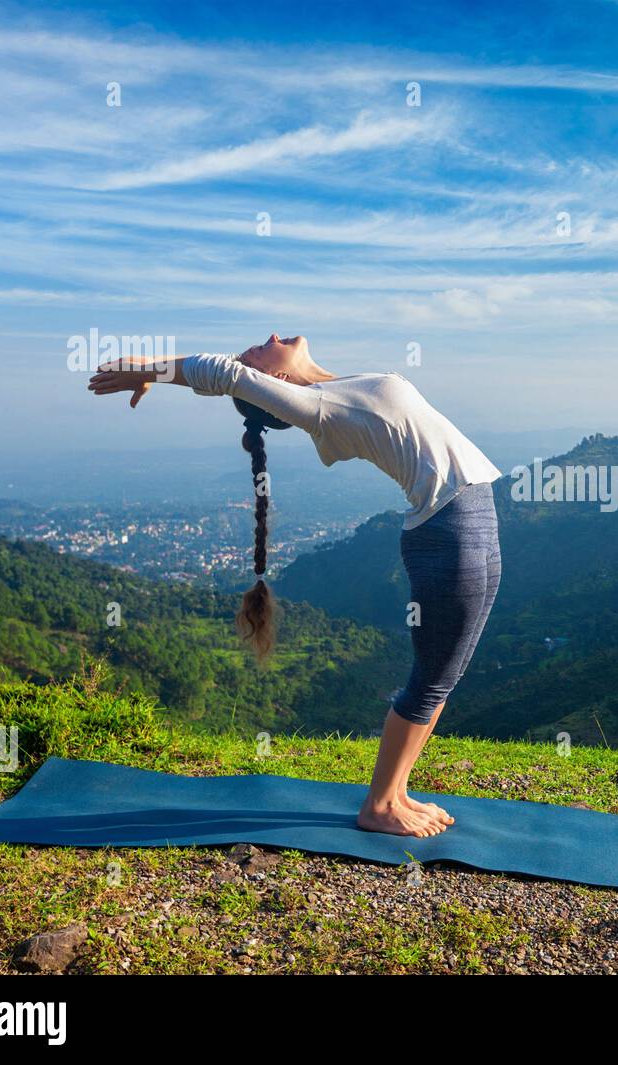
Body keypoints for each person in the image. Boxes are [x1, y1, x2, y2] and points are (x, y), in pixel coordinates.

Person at [88, 335, 502, 838]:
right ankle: (379, 805)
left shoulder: (337, 387)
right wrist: (151, 369)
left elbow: (237, 372)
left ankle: (396, 792)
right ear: (275, 383)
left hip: (471, 518)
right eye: (257, 352)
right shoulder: (319, 407)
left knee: (446, 673)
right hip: (447, 529)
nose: (267, 340)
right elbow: (226, 373)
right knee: (433, 676)